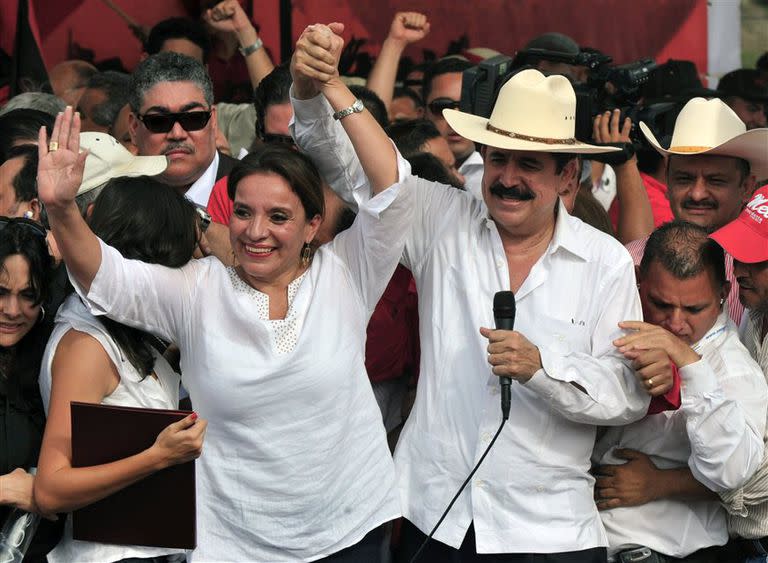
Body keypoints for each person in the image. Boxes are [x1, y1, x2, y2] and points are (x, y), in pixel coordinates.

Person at [292, 24, 648, 562]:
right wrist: (314, 88)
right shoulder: (441, 218)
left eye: (529, 164)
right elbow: (347, 164)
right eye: (498, 158)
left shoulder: (606, 262)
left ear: (568, 175)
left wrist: (541, 368)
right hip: (435, 515)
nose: (507, 178)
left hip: (549, 532)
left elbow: (627, 394)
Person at [35, 63, 412, 561]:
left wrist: (333, 85)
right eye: (243, 212)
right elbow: (107, 276)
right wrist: (62, 210)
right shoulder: (196, 290)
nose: (257, 232)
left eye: (279, 217)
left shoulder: (346, 272)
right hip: (234, 543)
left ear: (312, 225)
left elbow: (393, 192)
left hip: (350, 531)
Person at [34, 177, 207, 563]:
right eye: (183, 259)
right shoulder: (88, 347)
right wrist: (158, 457)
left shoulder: (134, 334)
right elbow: (51, 487)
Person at [593, 221, 766, 563]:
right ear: (639, 279)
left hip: (669, 554)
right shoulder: (610, 323)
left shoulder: (733, 369)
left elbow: (735, 473)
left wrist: (690, 367)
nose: (674, 324)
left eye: (693, 309)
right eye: (661, 303)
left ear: (722, 293)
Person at [625, 96, 768, 326]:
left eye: (715, 181)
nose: (697, 194)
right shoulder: (628, 260)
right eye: (684, 179)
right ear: (667, 180)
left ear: (747, 187)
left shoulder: (761, 272)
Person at [709, 188, 768, 562]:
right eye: (739, 254)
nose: (740, 269)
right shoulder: (754, 313)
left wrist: (665, 483)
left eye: (758, 260)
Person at [0, 218, 63, 562]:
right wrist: (7, 488)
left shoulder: (58, 350)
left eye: (28, 296)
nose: (11, 311)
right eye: (0, 291)